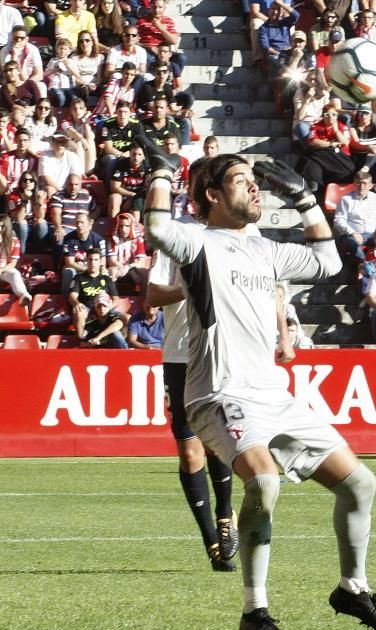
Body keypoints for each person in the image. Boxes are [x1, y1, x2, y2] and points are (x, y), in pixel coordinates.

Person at [140, 142, 376, 630]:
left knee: (360, 484)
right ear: (212, 195)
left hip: (272, 394)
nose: (254, 185)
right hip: (219, 392)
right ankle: (255, 612)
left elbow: (329, 263)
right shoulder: (197, 242)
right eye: (240, 180)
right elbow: (155, 227)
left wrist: (305, 199)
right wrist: (162, 173)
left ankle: (353, 588)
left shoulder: (265, 249)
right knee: (263, 481)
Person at [146, 160, 239, 574]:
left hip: (220, 352)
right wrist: (186, 287)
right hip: (180, 355)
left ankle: (226, 514)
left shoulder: (234, 236)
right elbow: (151, 295)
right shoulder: (176, 238)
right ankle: (211, 541)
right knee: (188, 450)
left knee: (220, 441)